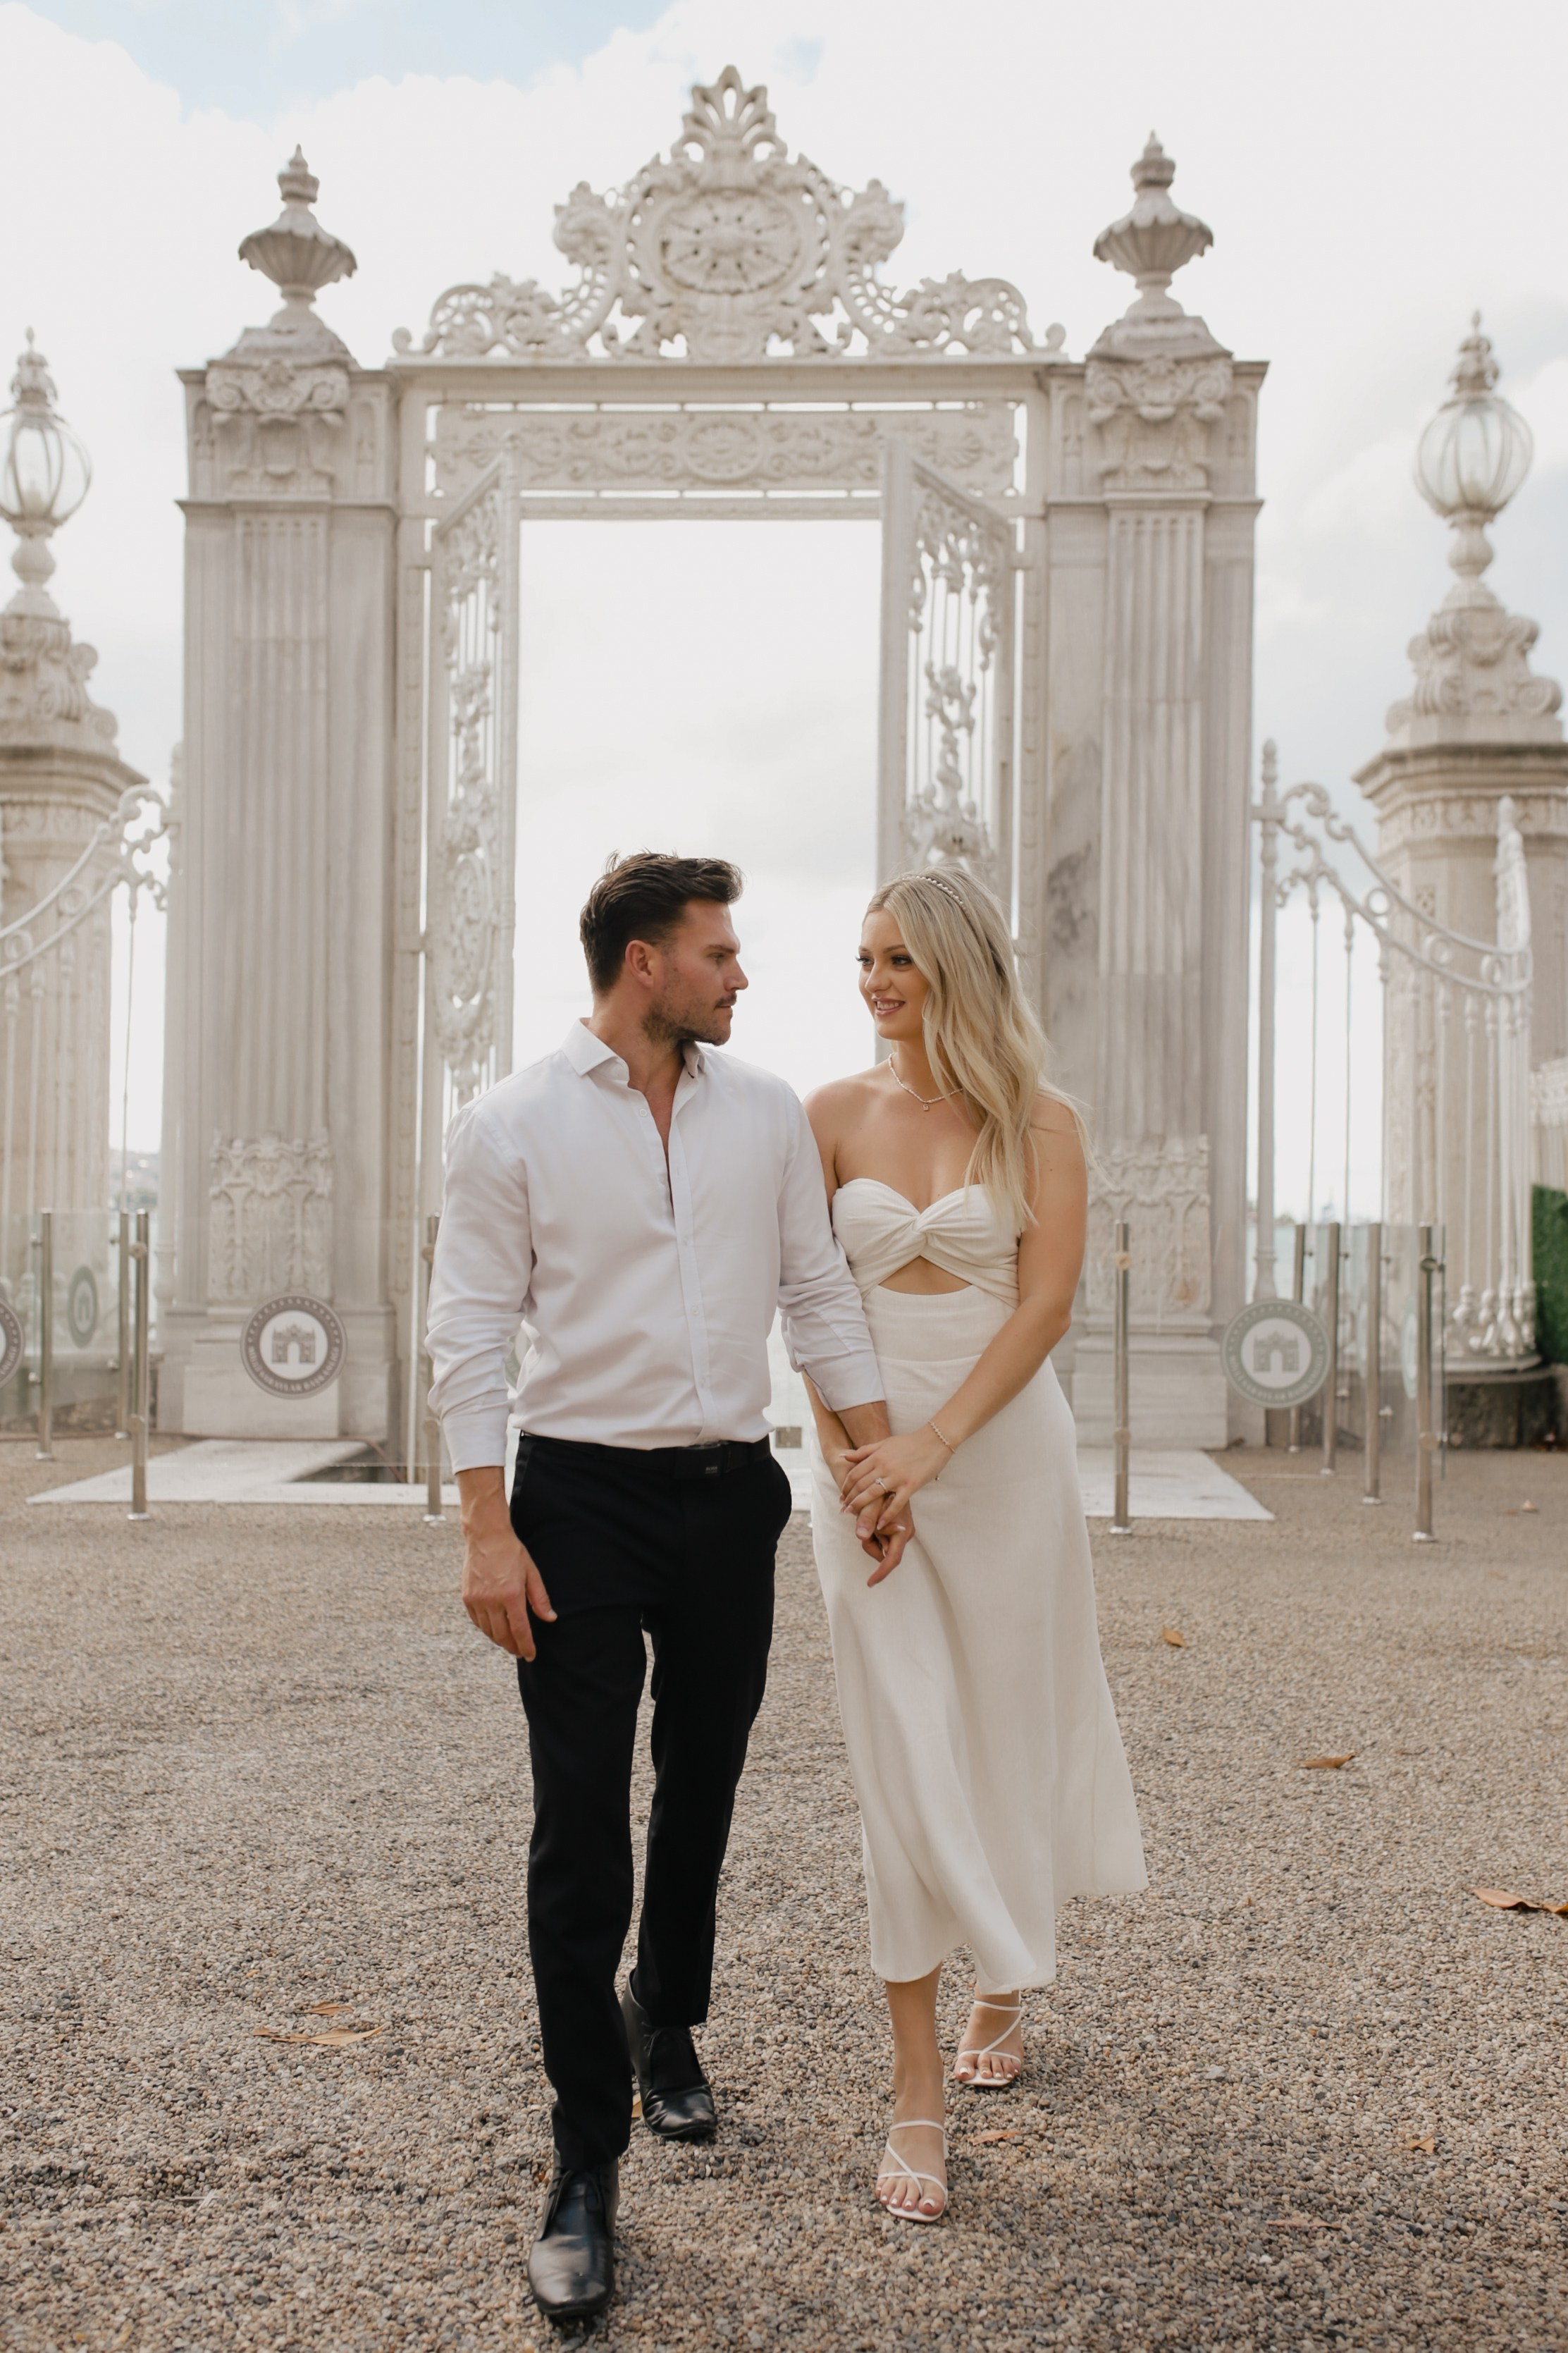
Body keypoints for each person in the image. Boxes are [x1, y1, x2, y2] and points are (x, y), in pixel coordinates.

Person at [425, 852, 904, 2323]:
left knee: (702, 1774)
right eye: (720, 952)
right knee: (582, 1823)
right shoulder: (505, 1124)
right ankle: (585, 2165)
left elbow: (817, 1289)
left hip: (725, 1493)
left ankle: (668, 2018)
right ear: (646, 963)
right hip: (573, 1498)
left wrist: (876, 1462)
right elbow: (469, 1331)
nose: (743, 973)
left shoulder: (762, 1111)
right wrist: (485, 1532)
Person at [802, 865, 1147, 2225]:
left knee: (1007, 1720)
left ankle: (1002, 1976)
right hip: (857, 1467)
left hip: (995, 1452)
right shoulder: (823, 1115)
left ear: (959, 967)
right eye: (865, 956)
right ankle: (912, 2095)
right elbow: (805, 1299)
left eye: (901, 957)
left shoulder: (1040, 1122)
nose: (877, 979)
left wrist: (930, 1449)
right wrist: (853, 1460)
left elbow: (1046, 1305)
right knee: (899, 1743)